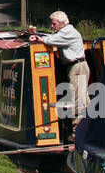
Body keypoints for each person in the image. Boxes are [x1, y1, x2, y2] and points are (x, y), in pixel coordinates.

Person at [29, 10, 86, 139]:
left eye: (54, 24)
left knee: (77, 101)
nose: (52, 26)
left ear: (61, 23)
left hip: (77, 68)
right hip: (75, 67)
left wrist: (39, 39)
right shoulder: (64, 32)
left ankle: (77, 135)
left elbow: (52, 40)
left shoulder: (67, 33)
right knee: (81, 99)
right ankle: (84, 130)